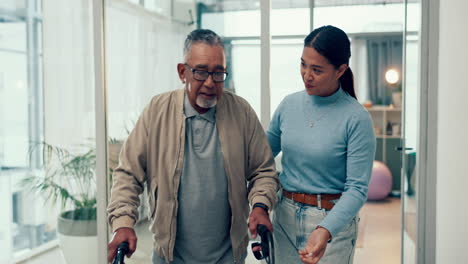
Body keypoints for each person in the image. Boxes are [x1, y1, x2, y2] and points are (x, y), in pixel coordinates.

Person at [107, 29, 278, 264]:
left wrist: (260, 205)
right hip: (170, 256)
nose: (210, 82)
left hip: (228, 256)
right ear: (182, 72)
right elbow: (128, 174)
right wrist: (122, 223)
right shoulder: (157, 111)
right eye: (200, 72)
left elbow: (263, 171)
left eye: (218, 73)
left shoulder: (241, 112)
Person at [266, 25, 376, 264]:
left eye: (317, 69)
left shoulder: (356, 118)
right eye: (303, 64)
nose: (306, 75)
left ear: (340, 70)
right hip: (284, 217)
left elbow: (357, 189)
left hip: (331, 224)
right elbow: (260, 156)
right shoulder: (288, 105)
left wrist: (325, 230)